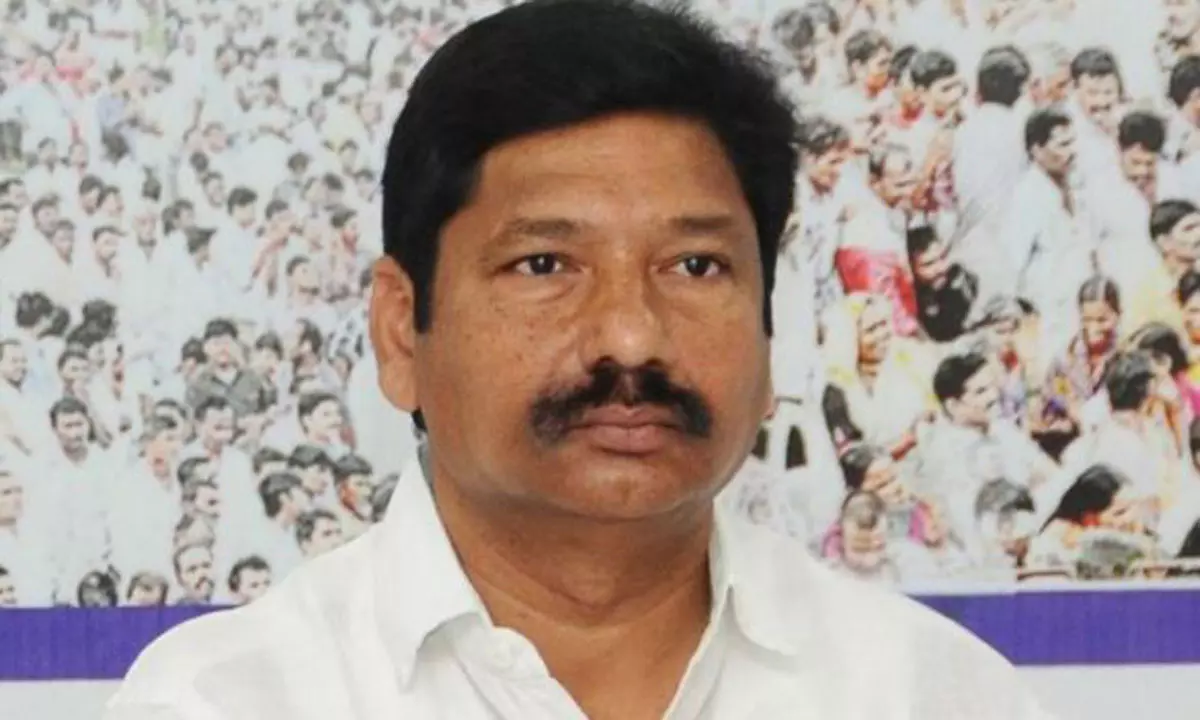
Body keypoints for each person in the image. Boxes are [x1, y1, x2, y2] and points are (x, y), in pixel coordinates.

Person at [106, 3, 1052, 719]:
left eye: (695, 265)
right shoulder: (231, 701)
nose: (630, 339)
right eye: (545, 265)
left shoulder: (933, 695)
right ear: (401, 331)